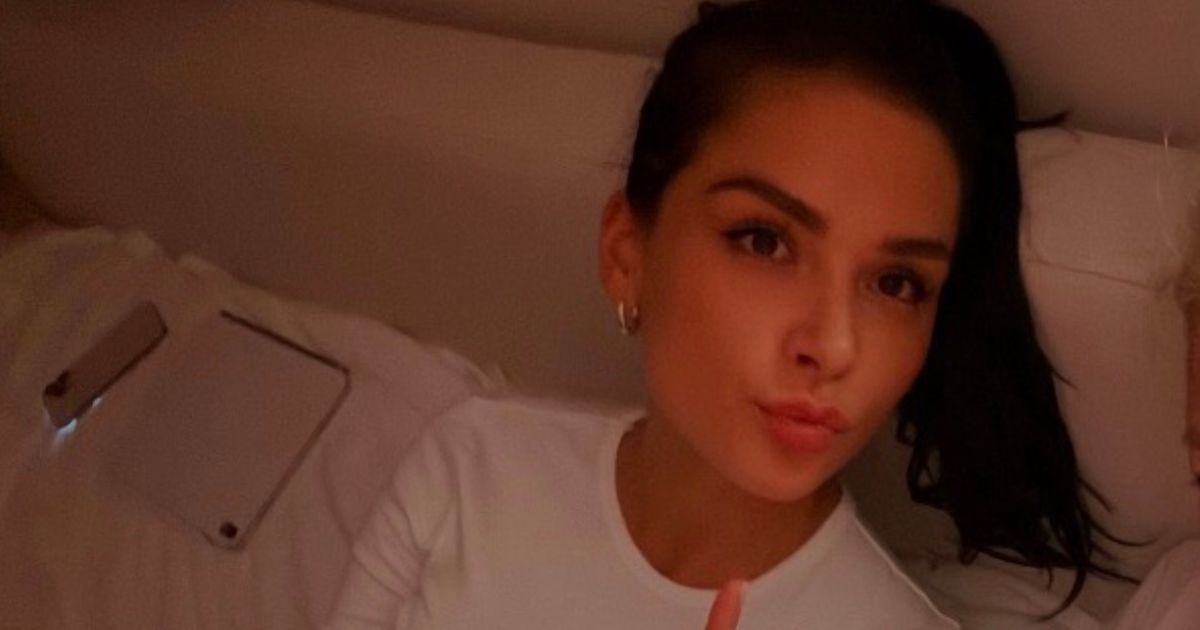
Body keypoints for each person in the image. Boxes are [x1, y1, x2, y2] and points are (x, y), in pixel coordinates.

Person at [326, 1, 1123, 627]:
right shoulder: (471, 466)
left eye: (896, 284)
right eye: (764, 241)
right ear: (626, 251)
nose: (835, 344)